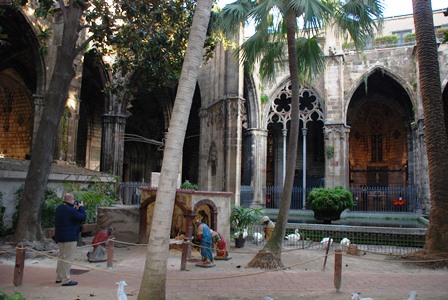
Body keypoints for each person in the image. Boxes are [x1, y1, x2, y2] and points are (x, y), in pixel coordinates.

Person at [54, 193, 86, 286]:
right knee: (68, 259)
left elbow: (70, 217)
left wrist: (75, 208)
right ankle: (66, 279)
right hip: (70, 238)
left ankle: (59, 277)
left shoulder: (59, 208)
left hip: (60, 237)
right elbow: (82, 217)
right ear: (71, 200)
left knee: (61, 257)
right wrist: (81, 208)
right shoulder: (70, 210)